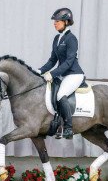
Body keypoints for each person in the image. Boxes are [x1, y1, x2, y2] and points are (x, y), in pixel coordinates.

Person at [36, 8, 85, 139]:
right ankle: (57, 123)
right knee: (50, 93)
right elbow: (53, 60)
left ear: (66, 22)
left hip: (74, 74)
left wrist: (52, 74)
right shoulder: (57, 38)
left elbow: (69, 62)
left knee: (60, 95)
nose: (54, 23)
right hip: (63, 74)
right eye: (54, 21)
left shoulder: (71, 39)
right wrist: (39, 71)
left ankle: (68, 128)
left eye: (57, 21)